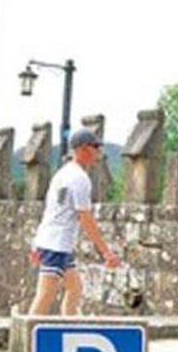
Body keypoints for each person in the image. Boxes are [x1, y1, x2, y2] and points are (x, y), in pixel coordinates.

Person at [26, 128, 120, 316]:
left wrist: (37, 244)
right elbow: (85, 217)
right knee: (46, 294)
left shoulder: (63, 173)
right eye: (95, 147)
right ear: (84, 148)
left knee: (74, 288)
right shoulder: (79, 178)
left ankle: (68, 326)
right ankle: (27, 333)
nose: (98, 152)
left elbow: (53, 210)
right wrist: (106, 252)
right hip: (57, 245)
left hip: (52, 242)